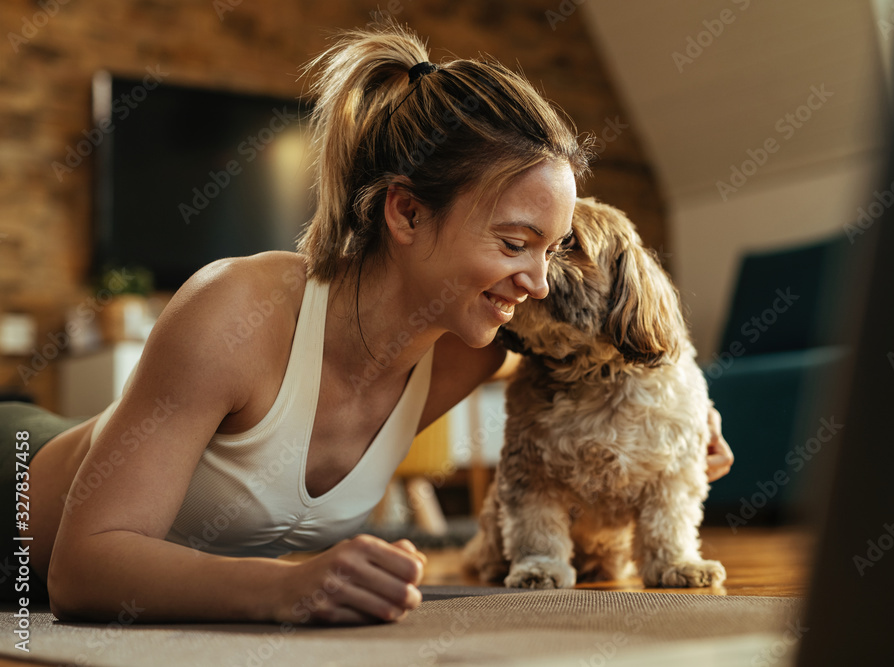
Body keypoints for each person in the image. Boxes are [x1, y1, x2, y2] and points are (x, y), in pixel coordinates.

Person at [3, 20, 733, 625]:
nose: (538, 281)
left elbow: (609, 358)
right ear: (407, 211)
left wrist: (692, 422)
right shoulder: (234, 310)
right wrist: (286, 586)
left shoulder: (475, 346)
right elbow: (81, 569)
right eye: (515, 244)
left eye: (552, 248)